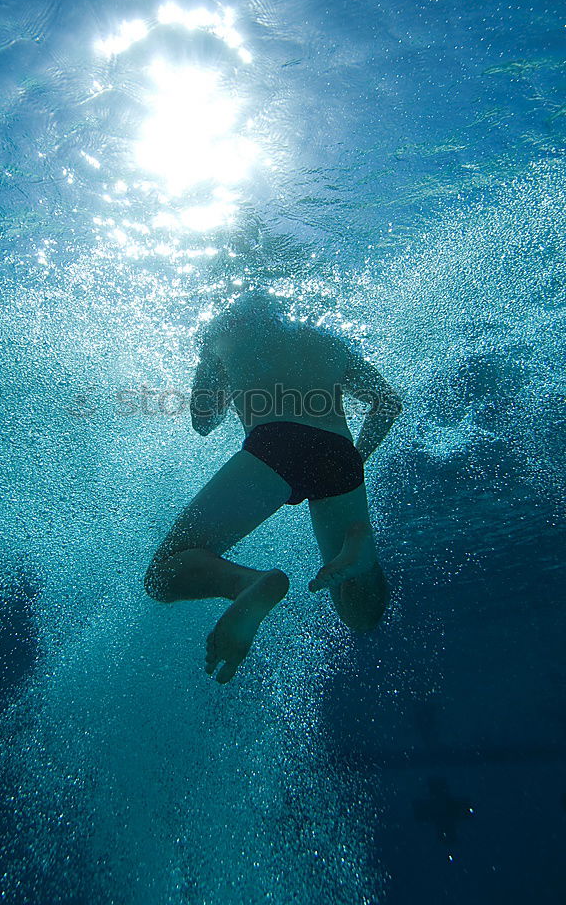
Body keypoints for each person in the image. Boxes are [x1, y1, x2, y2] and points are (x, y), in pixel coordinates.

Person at [144, 290, 402, 684]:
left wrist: (213, 364)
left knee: (162, 574)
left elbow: (203, 420)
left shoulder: (222, 336)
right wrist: (357, 460)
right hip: (339, 453)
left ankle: (246, 583)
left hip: (275, 444)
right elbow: (388, 403)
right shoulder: (328, 342)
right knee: (359, 615)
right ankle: (362, 557)